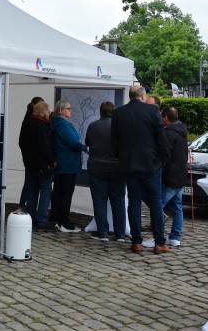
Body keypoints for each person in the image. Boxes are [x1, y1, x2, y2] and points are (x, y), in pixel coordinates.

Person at [110, 85, 170, 254]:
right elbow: (161, 138)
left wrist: (121, 158)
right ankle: (160, 242)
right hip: (151, 165)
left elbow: (114, 141)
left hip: (129, 165)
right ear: (143, 96)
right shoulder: (152, 111)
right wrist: (162, 159)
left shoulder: (119, 113)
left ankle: (137, 242)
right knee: (156, 203)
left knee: (134, 203)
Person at [84, 101, 127, 241]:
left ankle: (102, 232)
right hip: (118, 169)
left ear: (100, 111)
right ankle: (120, 233)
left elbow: (88, 143)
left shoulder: (93, 126)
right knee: (118, 201)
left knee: (99, 201)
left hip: (97, 168)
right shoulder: (120, 127)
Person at [50, 99, 87, 232]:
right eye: (68, 108)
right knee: (65, 194)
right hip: (67, 165)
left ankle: (60, 221)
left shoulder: (59, 124)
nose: (70, 110)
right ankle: (64, 224)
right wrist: (86, 148)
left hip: (64, 164)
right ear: (61, 110)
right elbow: (74, 143)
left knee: (61, 193)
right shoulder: (63, 125)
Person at [19, 100, 56, 232]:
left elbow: (21, 143)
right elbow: (44, 148)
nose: (49, 114)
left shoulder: (27, 123)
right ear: (42, 113)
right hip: (42, 165)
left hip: (30, 164)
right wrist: (53, 160)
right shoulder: (42, 126)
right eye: (47, 111)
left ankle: (31, 219)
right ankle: (41, 221)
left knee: (32, 191)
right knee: (45, 192)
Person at [160, 107, 189, 247]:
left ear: (166, 117)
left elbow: (164, 156)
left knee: (158, 205)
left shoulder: (168, 134)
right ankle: (175, 237)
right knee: (177, 207)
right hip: (181, 174)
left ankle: (159, 236)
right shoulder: (182, 131)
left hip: (170, 176)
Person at [17, 96, 45, 210]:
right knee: (31, 183)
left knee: (29, 182)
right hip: (32, 158)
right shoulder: (31, 120)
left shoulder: (28, 119)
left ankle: (24, 205)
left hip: (29, 158)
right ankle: (25, 206)